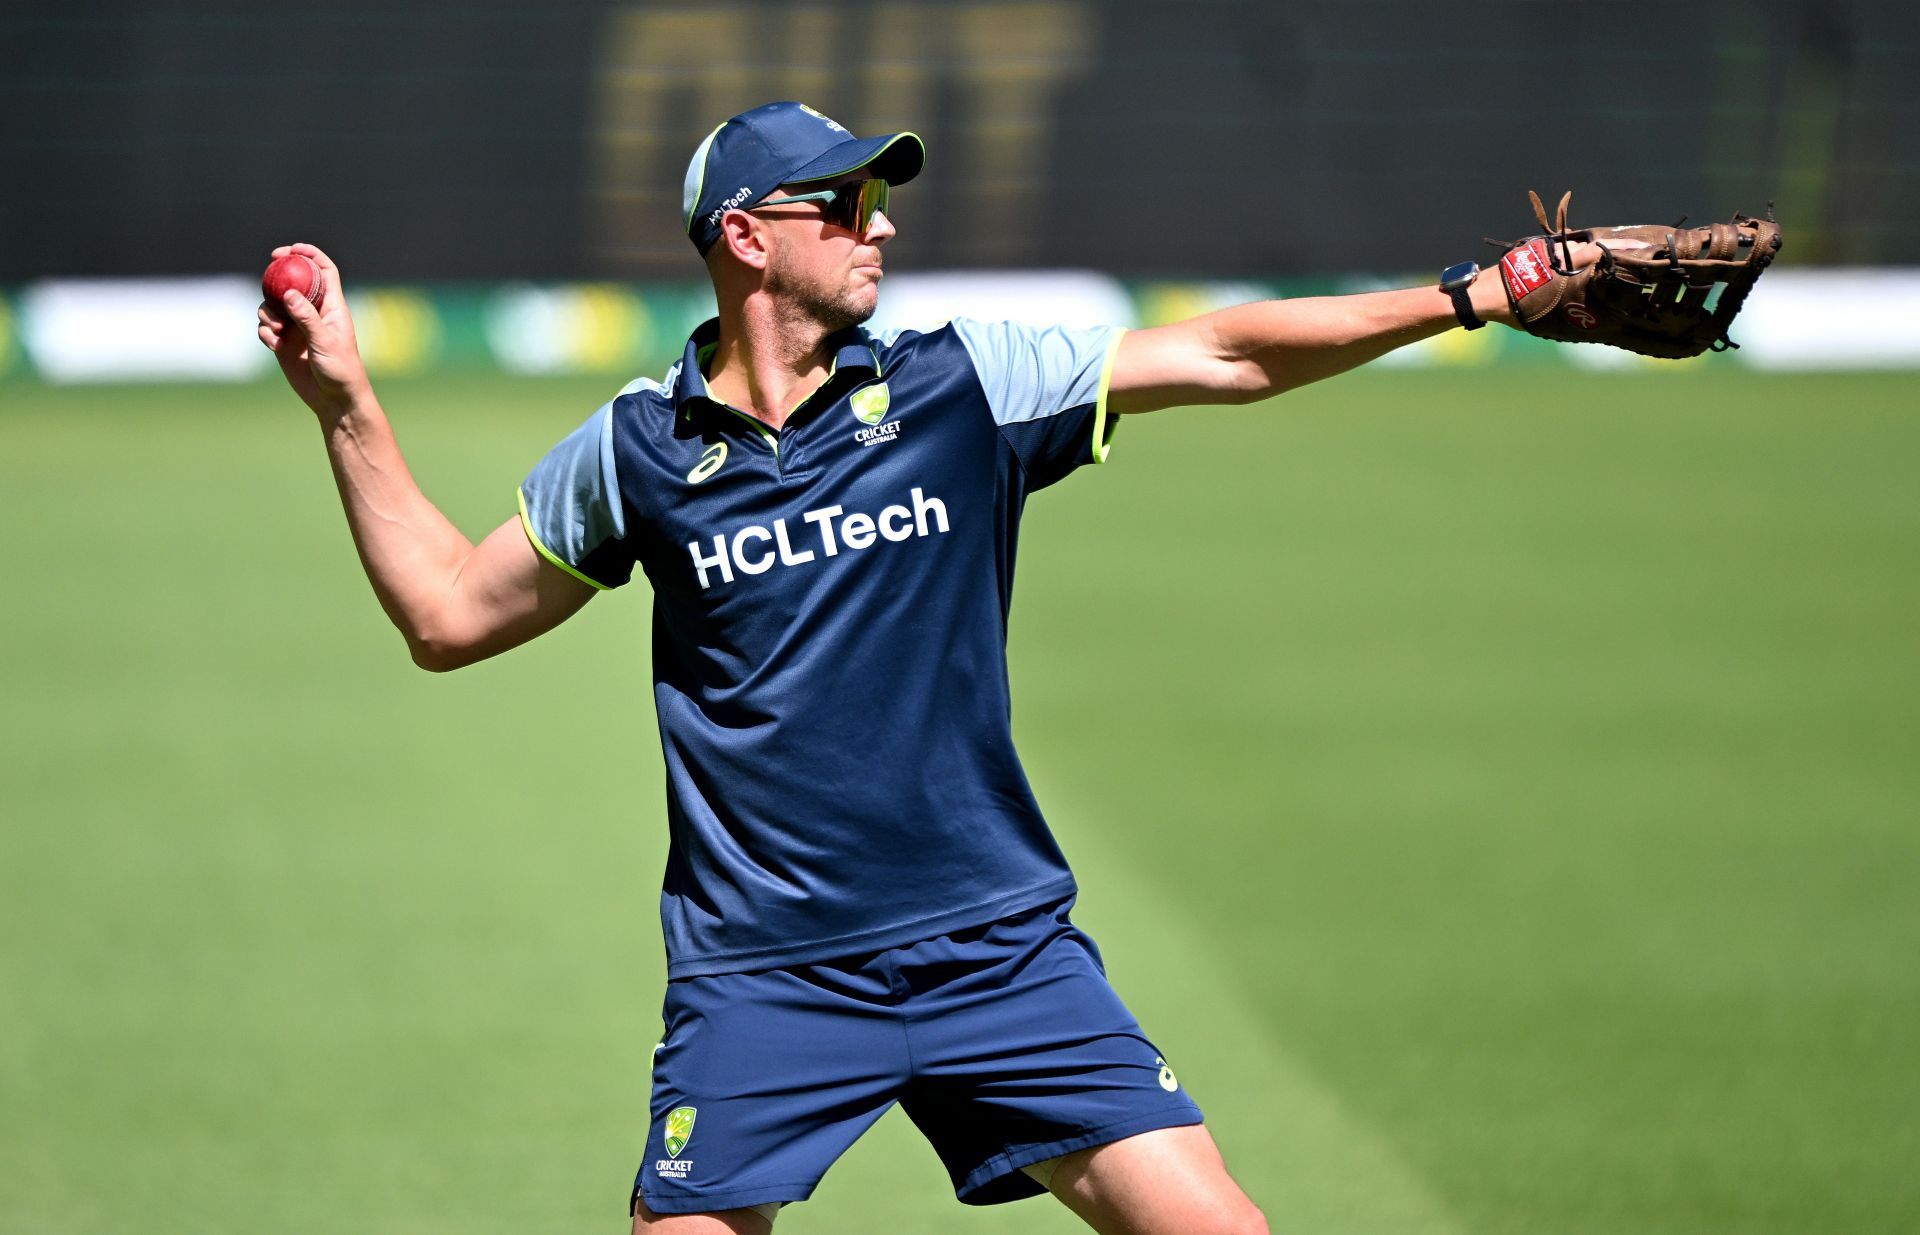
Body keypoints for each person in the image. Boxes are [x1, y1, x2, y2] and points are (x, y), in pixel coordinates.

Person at [259, 101, 1583, 1235]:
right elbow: (444, 613)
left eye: (882, 196)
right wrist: (347, 408)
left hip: (996, 951)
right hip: (764, 973)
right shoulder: (639, 449)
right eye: (844, 201)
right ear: (746, 237)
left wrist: (1473, 297)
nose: (881, 220)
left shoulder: (967, 386)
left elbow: (1228, 354)